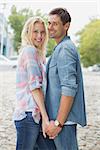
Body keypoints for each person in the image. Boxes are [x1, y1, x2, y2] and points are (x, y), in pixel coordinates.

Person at [36, 8, 87, 150]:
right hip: (56, 121)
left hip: (62, 123)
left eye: (55, 24)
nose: (50, 27)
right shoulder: (60, 48)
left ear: (66, 26)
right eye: (49, 23)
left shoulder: (65, 50)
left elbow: (69, 88)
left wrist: (58, 123)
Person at [13, 17, 49, 150]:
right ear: (28, 32)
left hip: (34, 116)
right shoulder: (30, 51)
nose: (39, 36)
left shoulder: (39, 55)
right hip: (28, 114)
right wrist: (45, 118)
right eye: (35, 32)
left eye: (42, 32)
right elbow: (35, 87)